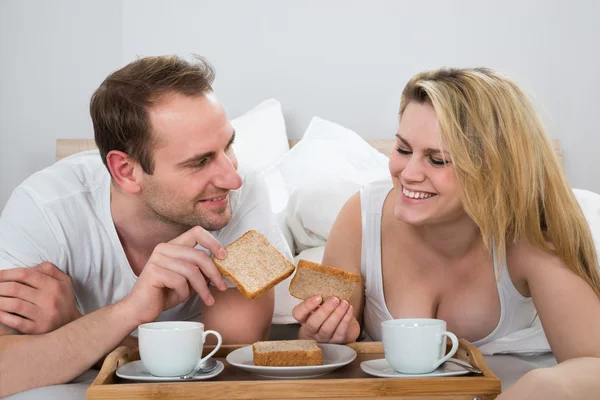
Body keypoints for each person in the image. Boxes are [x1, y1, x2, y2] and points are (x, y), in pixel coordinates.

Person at [293, 67, 600, 398]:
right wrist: (322, 335)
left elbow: (592, 365)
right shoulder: (361, 215)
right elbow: (318, 353)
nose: (408, 174)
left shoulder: (530, 237)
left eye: (437, 160)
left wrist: (542, 385)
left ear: (493, 169)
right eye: (403, 149)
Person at [0, 55, 291, 397]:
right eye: (200, 161)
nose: (232, 177)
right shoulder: (46, 210)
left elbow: (222, 372)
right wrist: (131, 310)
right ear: (126, 171)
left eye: (228, 145)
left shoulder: (242, 198)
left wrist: (75, 324)